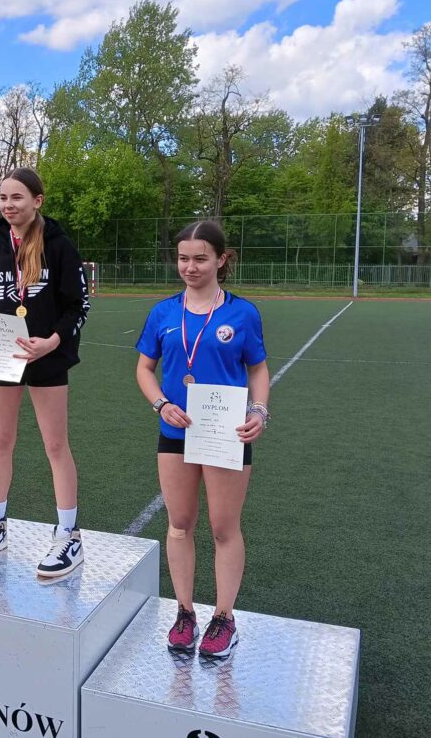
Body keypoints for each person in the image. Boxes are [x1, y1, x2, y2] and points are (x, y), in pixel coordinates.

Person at [135, 219, 270, 657]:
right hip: (176, 431)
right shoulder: (163, 312)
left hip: (226, 433)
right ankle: (185, 612)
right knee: (179, 524)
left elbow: (257, 368)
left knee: (223, 528)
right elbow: (144, 369)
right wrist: (160, 404)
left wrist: (259, 410)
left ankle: (224, 618)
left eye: (200, 258)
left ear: (220, 260)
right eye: (182, 258)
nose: (190, 267)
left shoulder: (242, 313)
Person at [0, 167, 90, 578]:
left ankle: (69, 533)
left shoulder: (59, 247)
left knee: (56, 445)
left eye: (17, 197)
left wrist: (51, 342)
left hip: (46, 358)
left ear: (37, 201)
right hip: (1, 357)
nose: (8, 205)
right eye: (3, 198)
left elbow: (78, 307)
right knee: (0, 442)